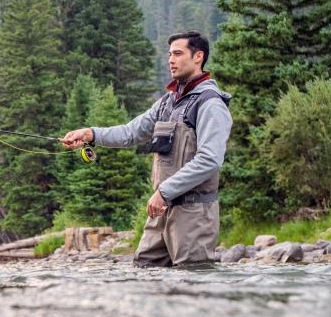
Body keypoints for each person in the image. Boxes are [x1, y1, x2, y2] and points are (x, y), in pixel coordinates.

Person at [61, 30, 232, 266]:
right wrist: (91, 134)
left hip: (194, 213)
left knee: (193, 284)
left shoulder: (210, 103)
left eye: (178, 53)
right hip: (161, 212)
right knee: (145, 272)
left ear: (198, 57)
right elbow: (130, 132)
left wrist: (164, 192)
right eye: (170, 54)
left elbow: (209, 160)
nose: (171, 60)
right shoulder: (166, 102)